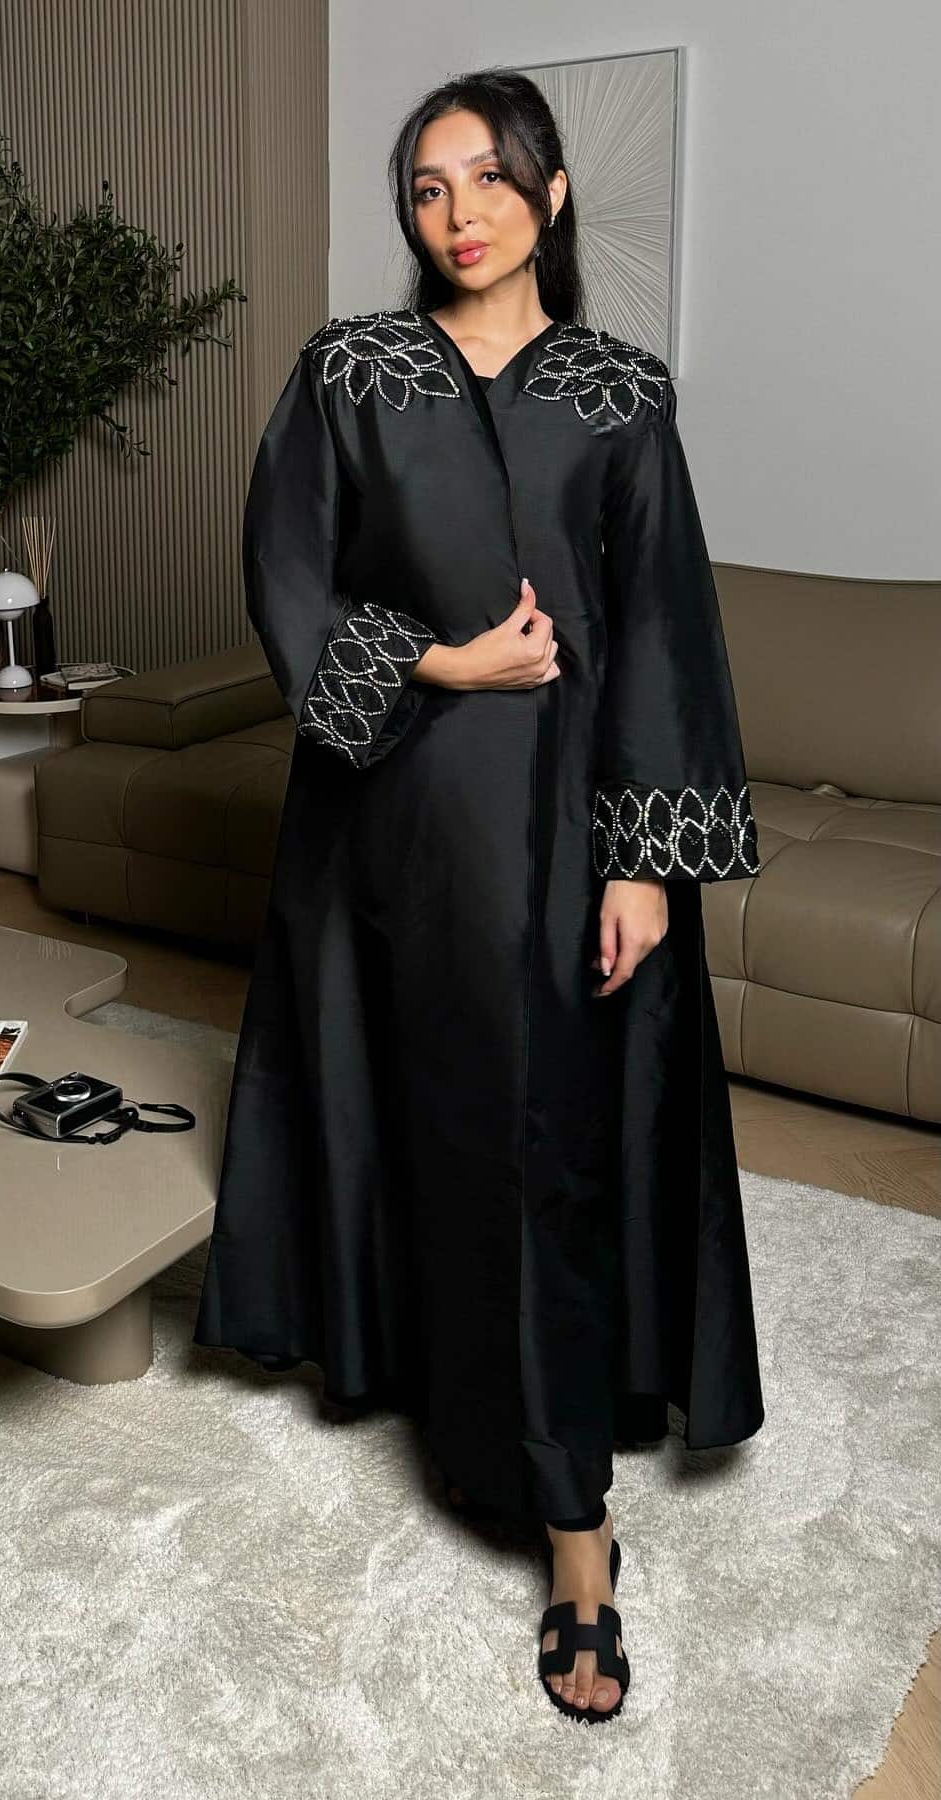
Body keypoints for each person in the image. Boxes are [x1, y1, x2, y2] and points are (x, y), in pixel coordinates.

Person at [191, 67, 765, 1723]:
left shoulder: (620, 394)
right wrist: (442, 660)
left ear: (552, 193)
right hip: (391, 824)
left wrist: (647, 860)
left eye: (490, 180)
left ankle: (576, 1535)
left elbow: (660, 626)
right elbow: (286, 572)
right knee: (427, 1117)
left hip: (573, 827)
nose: (459, 214)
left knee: (553, 1141)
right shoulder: (351, 372)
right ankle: (433, 1384)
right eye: (429, 189)